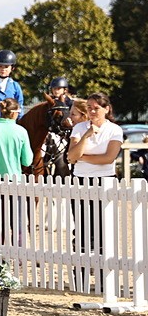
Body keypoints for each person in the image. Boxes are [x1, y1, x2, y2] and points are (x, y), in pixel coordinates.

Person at [66, 93, 123, 293]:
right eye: (89, 107)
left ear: (106, 109)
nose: (91, 111)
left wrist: (83, 157)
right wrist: (87, 136)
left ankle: (102, 279)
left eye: (96, 108)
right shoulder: (79, 128)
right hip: (80, 181)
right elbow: (71, 156)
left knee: (102, 231)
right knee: (81, 230)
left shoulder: (114, 130)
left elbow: (108, 158)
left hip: (105, 182)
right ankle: (80, 279)